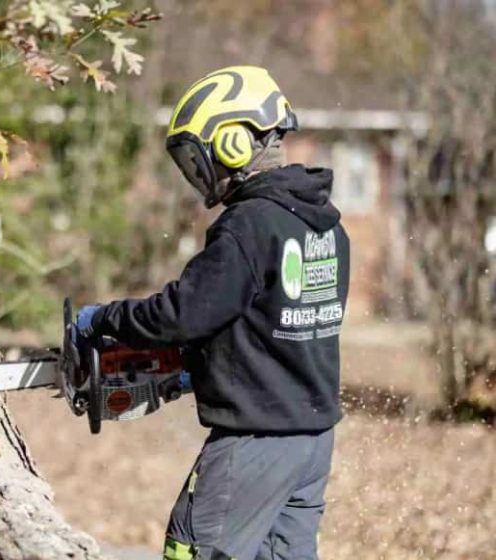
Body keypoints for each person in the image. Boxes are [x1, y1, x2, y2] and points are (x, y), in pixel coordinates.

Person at [76, 66, 349, 560]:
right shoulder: (324, 227)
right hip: (311, 440)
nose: (195, 174)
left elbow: (184, 314)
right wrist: (197, 370)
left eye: (195, 159)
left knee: (192, 549)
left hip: (253, 443)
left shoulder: (248, 225)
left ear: (232, 146)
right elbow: (272, 326)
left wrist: (103, 319)